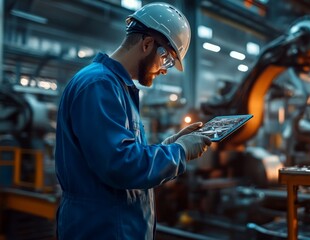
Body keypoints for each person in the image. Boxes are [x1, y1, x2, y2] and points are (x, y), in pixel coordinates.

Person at [54, 2, 211, 239]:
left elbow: (127, 153)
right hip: (101, 228)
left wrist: (169, 145)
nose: (165, 70)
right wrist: (178, 152)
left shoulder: (118, 88)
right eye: (167, 59)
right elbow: (119, 165)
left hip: (115, 224)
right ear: (147, 44)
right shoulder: (99, 85)